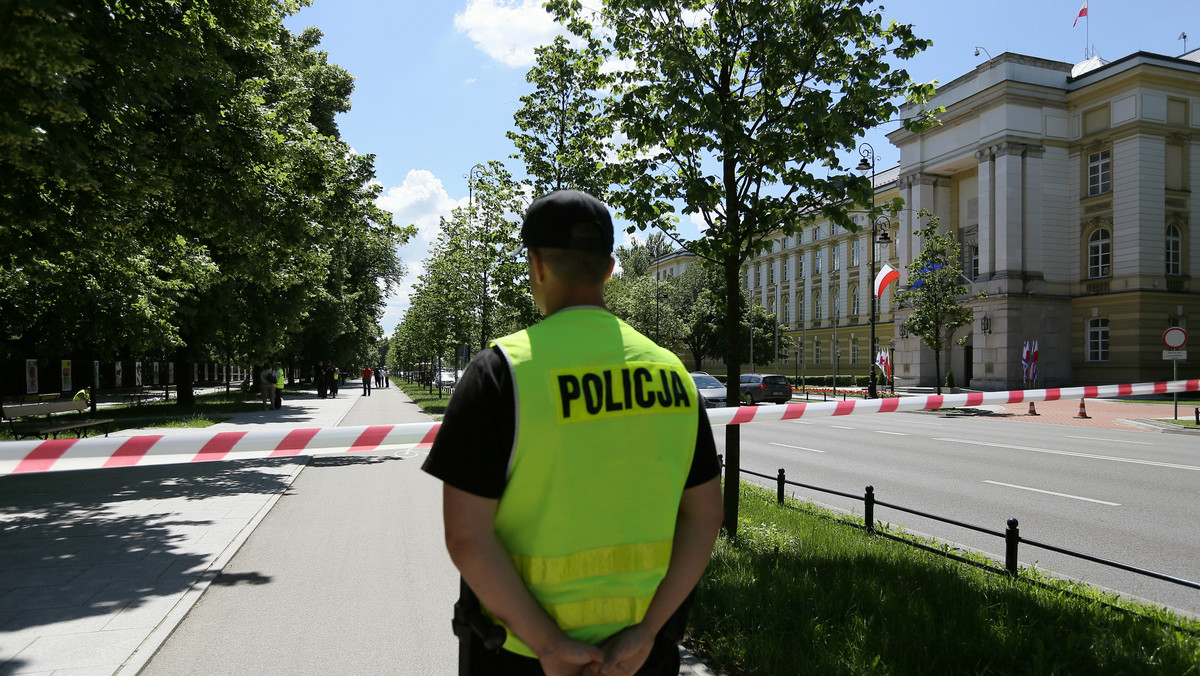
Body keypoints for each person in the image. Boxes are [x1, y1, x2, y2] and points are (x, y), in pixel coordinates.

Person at [423, 189, 723, 676]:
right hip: (640, 655)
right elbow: (705, 517)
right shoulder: (671, 373)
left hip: (524, 655)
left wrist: (549, 646)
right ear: (608, 269)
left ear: (535, 265)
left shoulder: (501, 372)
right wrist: (647, 630)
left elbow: (466, 537)